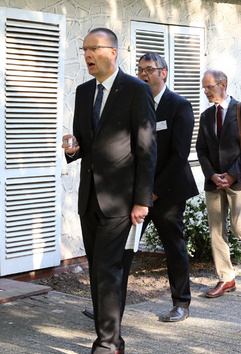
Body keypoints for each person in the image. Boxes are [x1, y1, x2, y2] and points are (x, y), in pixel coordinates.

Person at [62, 28, 156, 354]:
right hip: (90, 200)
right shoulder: (84, 91)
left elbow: (147, 150)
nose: (86, 54)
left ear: (112, 52)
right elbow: (86, 144)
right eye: (84, 49)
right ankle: (114, 343)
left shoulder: (136, 90)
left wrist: (142, 201)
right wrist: (74, 150)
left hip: (123, 202)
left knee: (107, 272)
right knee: (101, 274)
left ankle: (103, 352)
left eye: (93, 48)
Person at [81, 53, 198, 323]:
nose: (143, 74)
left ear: (163, 73)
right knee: (122, 251)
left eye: (149, 70)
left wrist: (153, 192)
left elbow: (179, 156)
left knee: (174, 248)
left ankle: (181, 302)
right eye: (140, 70)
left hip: (167, 193)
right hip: (136, 195)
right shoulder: (131, 101)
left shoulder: (179, 105)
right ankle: (112, 310)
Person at [196, 70, 241, 298]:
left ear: (223, 84)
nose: (206, 92)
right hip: (214, 182)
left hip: (237, 180)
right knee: (216, 231)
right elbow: (202, 149)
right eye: (204, 88)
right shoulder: (207, 116)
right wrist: (212, 175)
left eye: (209, 87)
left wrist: (232, 175)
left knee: (239, 227)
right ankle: (226, 279)